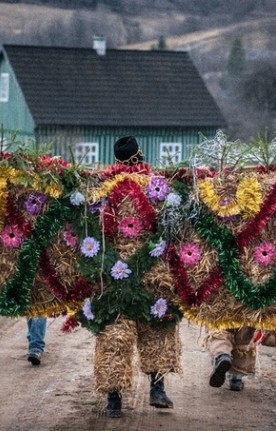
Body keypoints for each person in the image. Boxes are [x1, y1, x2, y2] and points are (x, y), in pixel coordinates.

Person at [96, 136, 182, 418]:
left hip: (142, 271)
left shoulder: (151, 187)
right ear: (139, 156)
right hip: (118, 273)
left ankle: (120, 399)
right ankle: (142, 391)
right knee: (121, 335)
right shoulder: (143, 186)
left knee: (143, 331)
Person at [207, 327, 276, 391]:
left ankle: (222, 355)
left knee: (220, 333)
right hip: (251, 309)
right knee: (244, 338)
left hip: (225, 308)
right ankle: (236, 378)